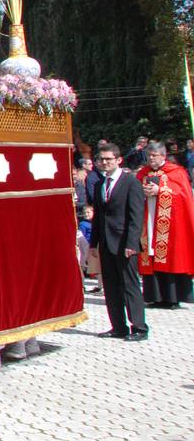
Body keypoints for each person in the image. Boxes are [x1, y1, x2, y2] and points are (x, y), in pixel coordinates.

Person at [93, 143, 148, 341]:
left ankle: (139, 328)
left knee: (129, 285)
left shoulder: (130, 183)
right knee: (111, 286)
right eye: (101, 159)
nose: (104, 162)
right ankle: (118, 326)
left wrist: (132, 244)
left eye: (108, 159)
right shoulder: (100, 184)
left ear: (118, 160)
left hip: (125, 243)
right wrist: (94, 243)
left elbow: (136, 216)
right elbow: (99, 216)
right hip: (107, 243)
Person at [137, 141, 194, 308]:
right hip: (148, 221)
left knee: (170, 257)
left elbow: (183, 195)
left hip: (171, 224)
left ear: (163, 155)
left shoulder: (176, 172)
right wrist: (143, 191)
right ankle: (155, 297)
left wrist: (160, 191)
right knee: (151, 256)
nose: (151, 159)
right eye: (149, 156)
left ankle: (172, 298)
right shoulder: (143, 172)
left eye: (154, 156)